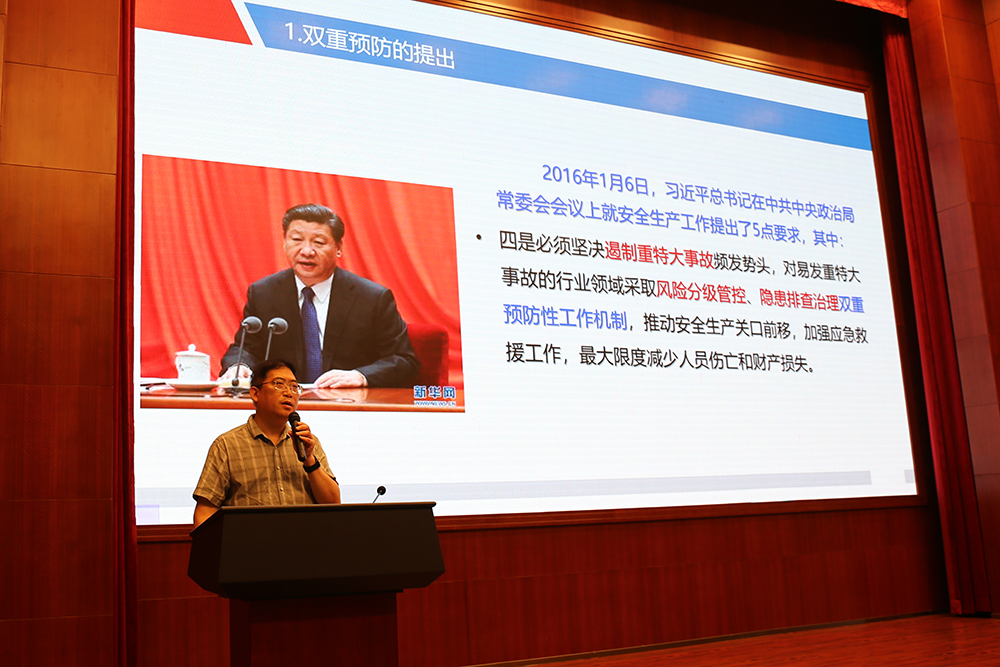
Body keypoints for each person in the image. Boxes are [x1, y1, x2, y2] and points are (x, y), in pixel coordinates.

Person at [220, 203, 419, 388]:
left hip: (347, 403)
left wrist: (360, 376)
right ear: (284, 243)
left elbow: (404, 361)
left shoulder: (372, 298)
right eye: (296, 240)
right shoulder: (264, 293)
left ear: (339, 248)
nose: (306, 251)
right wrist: (240, 365)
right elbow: (246, 347)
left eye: (319, 242)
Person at [192, 359, 341, 527]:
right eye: (279, 384)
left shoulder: (307, 442)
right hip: (250, 542)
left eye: (294, 387)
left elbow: (333, 503)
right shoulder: (227, 445)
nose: (289, 393)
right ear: (255, 393)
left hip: (304, 540)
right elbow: (206, 510)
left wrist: (309, 461)